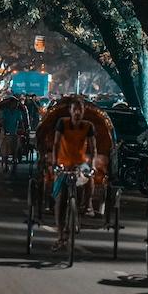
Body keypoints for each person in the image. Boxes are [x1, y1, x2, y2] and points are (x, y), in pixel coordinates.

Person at [51, 97, 97, 251]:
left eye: (80, 110)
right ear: (70, 111)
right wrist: (54, 162)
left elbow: (93, 149)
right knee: (61, 200)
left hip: (80, 165)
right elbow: (56, 144)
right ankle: (60, 235)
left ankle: (86, 204)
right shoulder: (62, 124)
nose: (77, 112)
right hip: (63, 164)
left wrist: (92, 165)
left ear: (83, 112)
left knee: (90, 179)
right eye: (75, 109)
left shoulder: (88, 126)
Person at [0, 98, 24, 173]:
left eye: (16, 104)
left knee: (15, 149)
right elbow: (3, 121)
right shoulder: (5, 112)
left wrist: (22, 129)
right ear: (10, 104)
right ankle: (6, 165)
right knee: (5, 149)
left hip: (14, 133)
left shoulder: (18, 112)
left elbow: (20, 122)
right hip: (6, 133)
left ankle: (14, 162)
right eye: (14, 104)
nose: (15, 105)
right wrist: (5, 130)